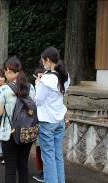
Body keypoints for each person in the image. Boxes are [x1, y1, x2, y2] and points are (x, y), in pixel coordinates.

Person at [0, 56, 35, 183]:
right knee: (23, 166)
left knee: (10, 169)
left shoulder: (4, 89)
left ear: (8, 70)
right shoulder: (30, 87)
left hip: (10, 133)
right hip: (27, 131)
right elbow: (33, 107)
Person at [35, 47, 70, 183]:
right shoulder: (65, 75)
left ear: (48, 60)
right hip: (59, 120)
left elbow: (38, 100)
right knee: (57, 156)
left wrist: (38, 83)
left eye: (43, 61)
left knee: (48, 157)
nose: (43, 64)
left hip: (47, 122)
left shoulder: (47, 79)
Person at [32, 67, 46, 183]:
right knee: (40, 149)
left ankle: (44, 174)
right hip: (41, 122)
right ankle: (42, 172)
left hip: (44, 123)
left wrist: (38, 85)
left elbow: (38, 102)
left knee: (43, 150)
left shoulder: (40, 88)